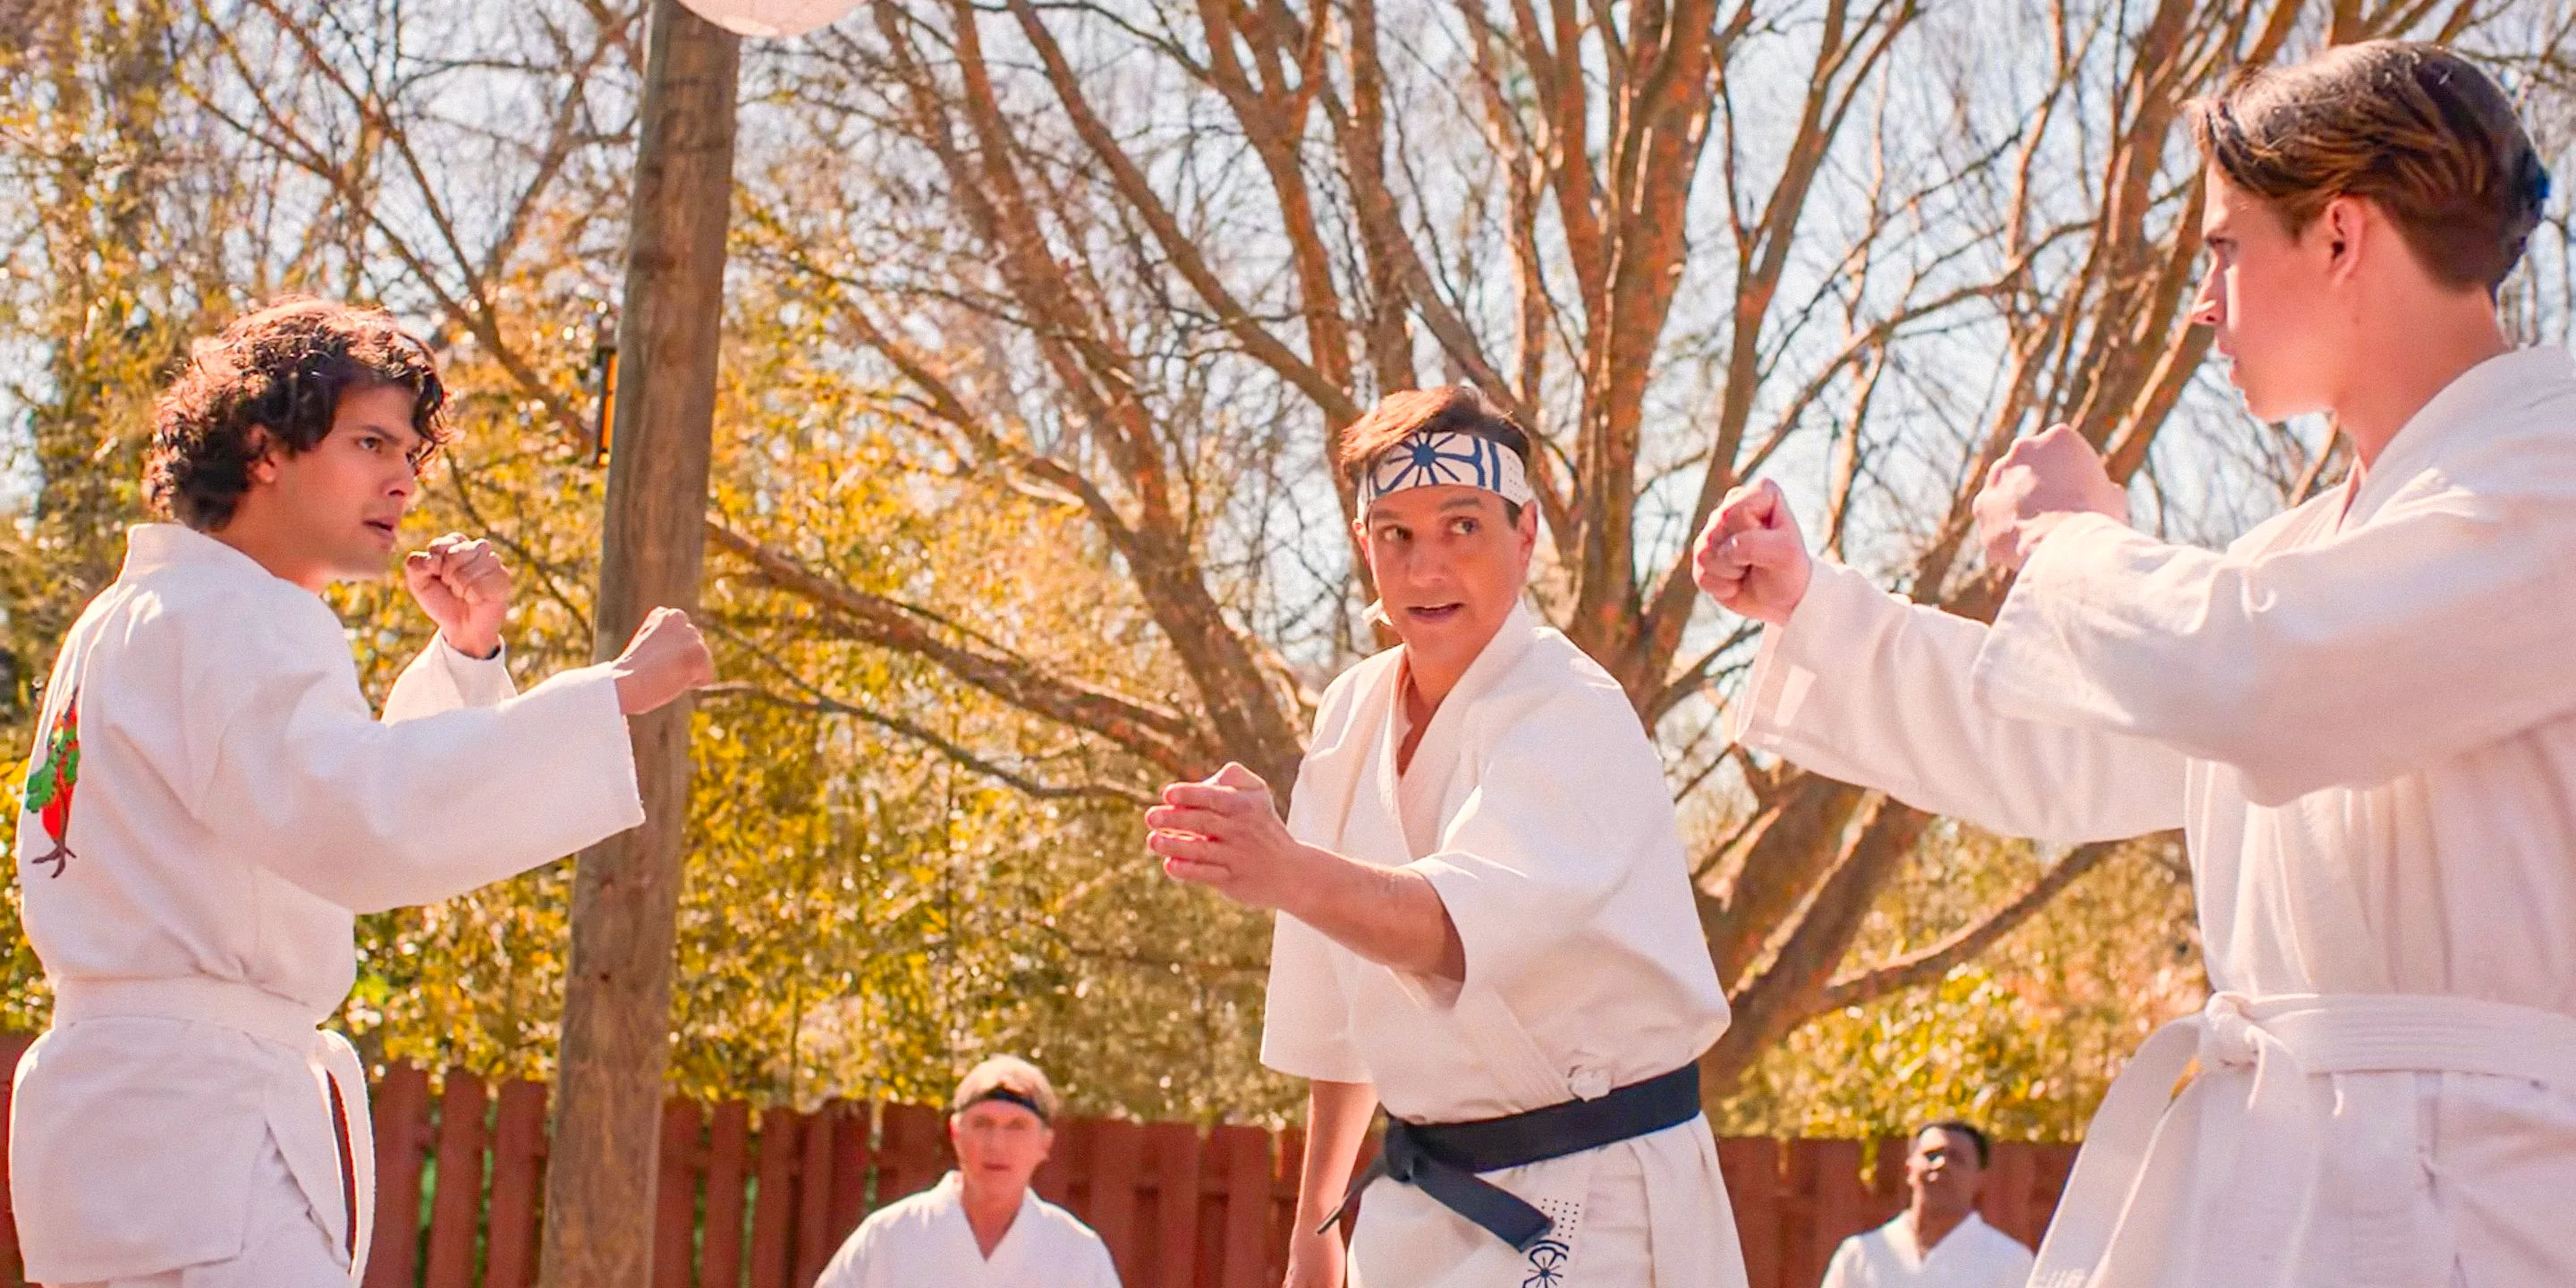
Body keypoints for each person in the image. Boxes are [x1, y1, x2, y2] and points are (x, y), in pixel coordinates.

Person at [1696, 40, 2576, 1288]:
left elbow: (2264, 679)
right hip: (2279, 1197)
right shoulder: (2302, 558)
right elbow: (2066, 740)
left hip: (2479, 1206)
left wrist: (2068, 544)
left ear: (2339, 237)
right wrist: (1822, 611)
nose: (2201, 299)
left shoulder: (2550, 476)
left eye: (2222, 248)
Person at [9, 298, 715, 1288]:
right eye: (371, 441)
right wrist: (610, 695)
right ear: (263, 449)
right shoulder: (238, 614)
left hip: (126, 1130)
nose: (402, 481)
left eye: (413, 456)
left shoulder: (143, 613)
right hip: (202, 1138)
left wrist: (467, 665)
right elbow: (356, 826)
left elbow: (315, 814)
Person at [1146, 386, 1745, 1288]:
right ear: (1365, 546)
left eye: (1462, 526)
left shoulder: (1571, 710)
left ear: (1527, 534)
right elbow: (1345, 1012)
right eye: (1397, 535)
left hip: (1594, 1197)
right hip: (1420, 1206)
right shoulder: (1352, 710)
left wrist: (1283, 867)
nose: (1427, 568)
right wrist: (1316, 1232)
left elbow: (1444, 929)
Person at [813, 1055, 1120, 1288]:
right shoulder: (890, 1237)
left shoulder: (1078, 1254)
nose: (997, 1144)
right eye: (982, 1124)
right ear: (956, 1133)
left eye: (1017, 1126)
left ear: (1044, 1144)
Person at [1819, 1123, 2032, 1288]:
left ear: (1980, 1179)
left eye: (1956, 1158)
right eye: (1931, 1155)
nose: (1941, 1165)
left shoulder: (2009, 1261)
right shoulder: (1860, 1255)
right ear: (1909, 1169)